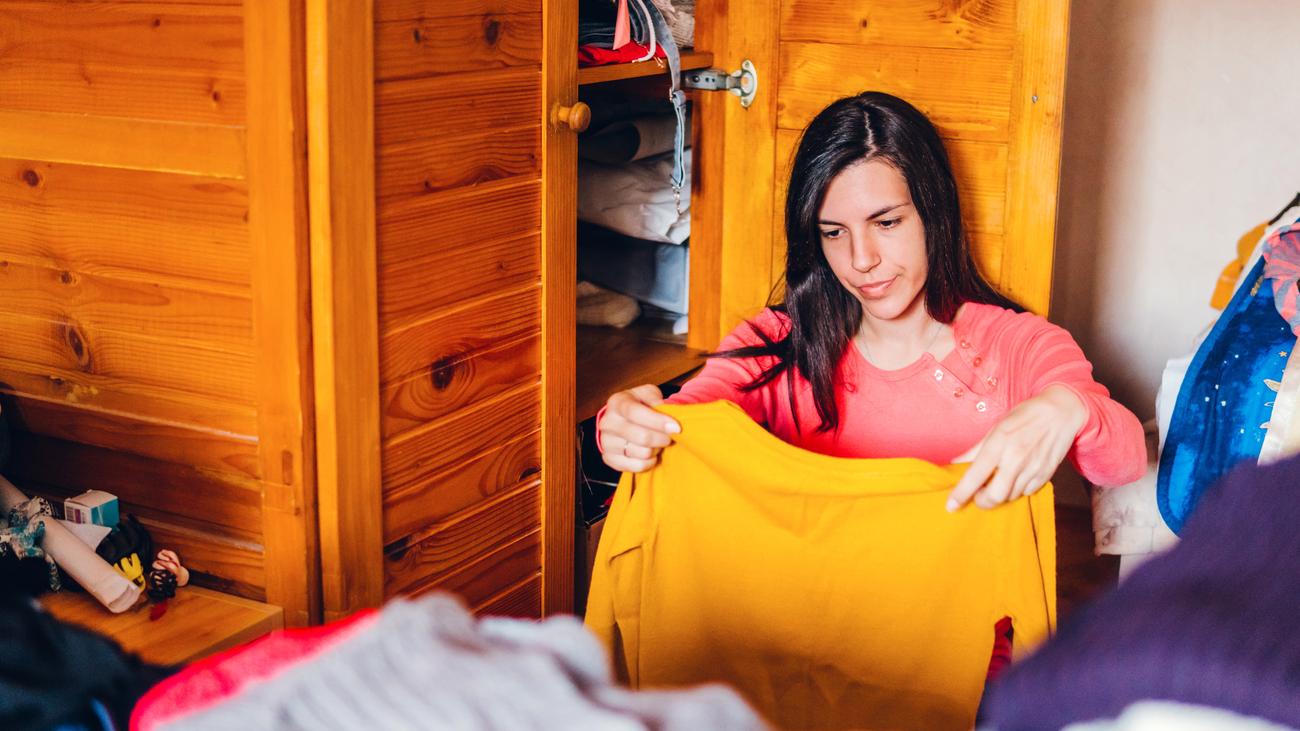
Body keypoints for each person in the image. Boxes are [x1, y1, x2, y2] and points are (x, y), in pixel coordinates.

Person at [596, 90, 1144, 516]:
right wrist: (626, 424)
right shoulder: (773, 343)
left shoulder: (1018, 344)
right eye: (834, 232)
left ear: (934, 213)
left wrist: (1068, 408)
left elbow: (1123, 463)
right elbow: (686, 418)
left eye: (886, 223)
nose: (861, 260)